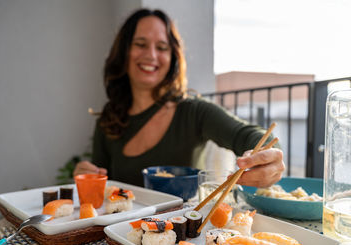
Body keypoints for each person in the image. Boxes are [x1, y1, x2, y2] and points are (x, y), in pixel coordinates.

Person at [74, 8, 285, 188]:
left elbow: (248, 135)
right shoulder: (107, 121)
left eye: (162, 47)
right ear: (124, 52)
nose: (152, 55)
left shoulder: (194, 111)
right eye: (140, 44)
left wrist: (268, 157)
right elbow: (102, 192)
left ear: (172, 57)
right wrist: (87, 177)